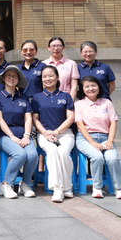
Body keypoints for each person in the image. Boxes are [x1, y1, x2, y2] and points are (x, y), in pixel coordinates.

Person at [75, 76, 121, 199]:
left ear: (99, 87)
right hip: (85, 139)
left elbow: (113, 123)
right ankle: (97, 187)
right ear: (82, 89)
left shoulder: (107, 103)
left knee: (112, 158)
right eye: (87, 86)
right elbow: (80, 125)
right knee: (97, 157)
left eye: (93, 85)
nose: (91, 88)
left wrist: (110, 141)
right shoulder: (79, 104)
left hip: (105, 138)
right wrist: (93, 142)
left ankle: (119, 188)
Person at [32, 65, 76, 203]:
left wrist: (57, 131)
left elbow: (71, 118)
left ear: (57, 78)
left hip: (65, 133)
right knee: (52, 151)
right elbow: (35, 119)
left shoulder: (66, 96)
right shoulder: (37, 98)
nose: (47, 79)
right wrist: (45, 133)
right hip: (44, 135)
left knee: (63, 152)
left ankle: (67, 186)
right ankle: (58, 188)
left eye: (51, 75)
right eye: (44, 76)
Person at [0, 66, 37, 199]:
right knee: (20, 154)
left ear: (18, 80)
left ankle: (25, 184)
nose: (11, 78)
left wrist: (26, 135)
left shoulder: (24, 98)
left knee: (33, 155)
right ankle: (6, 184)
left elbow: (28, 118)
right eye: (8, 75)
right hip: (4, 135)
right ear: (3, 78)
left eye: (15, 76)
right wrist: (12, 136)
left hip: (23, 134)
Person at [43, 37, 79, 101]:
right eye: (53, 46)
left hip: (65, 99)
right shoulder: (43, 64)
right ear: (48, 48)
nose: (56, 48)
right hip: (47, 99)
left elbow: (74, 86)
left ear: (63, 47)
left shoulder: (71, 64)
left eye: (59, 46)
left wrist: (70, 101)